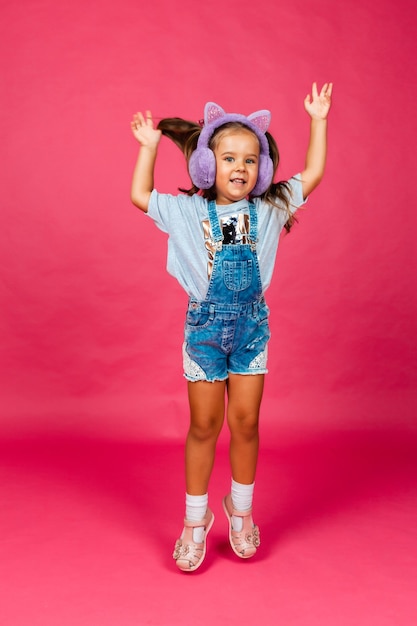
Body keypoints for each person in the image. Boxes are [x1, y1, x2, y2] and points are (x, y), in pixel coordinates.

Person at [130, 83, 333, 572]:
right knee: (205, 426)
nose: (239, 167)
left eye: (249, 159)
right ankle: (194, 522)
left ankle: (240, 511)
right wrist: (149, 149)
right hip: (203, 332)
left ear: (260, 170)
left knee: (245, 423)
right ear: (206, 166)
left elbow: (316, 173)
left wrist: (318, 120)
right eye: (227, 158)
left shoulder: (270, 207)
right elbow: (139, 195)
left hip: (250, 332)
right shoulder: (187, 211)